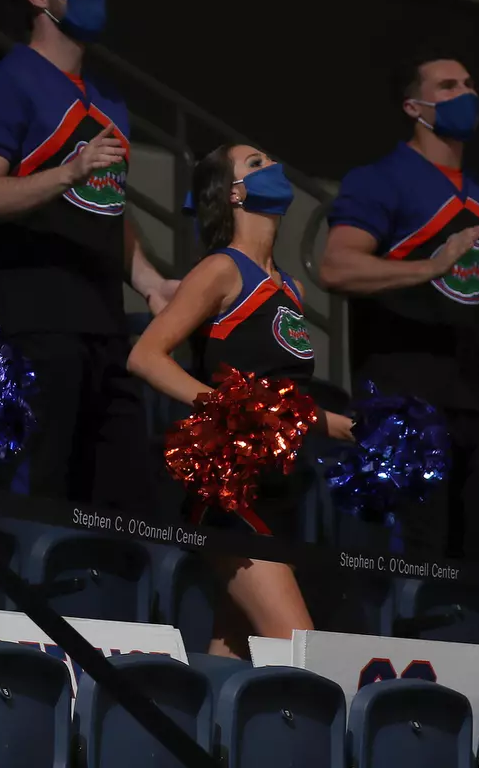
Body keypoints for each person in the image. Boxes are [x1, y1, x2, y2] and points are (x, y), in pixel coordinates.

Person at [0, 0, 177, 512]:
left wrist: (151, 282)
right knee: (38, 497)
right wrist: (69, 170)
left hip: (105, 327)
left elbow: (107, 207)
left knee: (127, 507)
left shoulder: (107, 100)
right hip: (35, 321)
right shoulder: (2, 84)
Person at [128, 143, 354, 657]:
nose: (274, 165)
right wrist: (223, 405)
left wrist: (340, 425)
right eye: (256, 163)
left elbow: (280, 395)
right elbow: (146, 356)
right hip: (230, 488)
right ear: (233, 193)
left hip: (282, 484)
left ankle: (205, 737)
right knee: (302, 649)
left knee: (234, 647)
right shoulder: (221, 270)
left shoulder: (291, 288)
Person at [318, 49, 479, 558]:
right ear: (414, 107)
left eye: (469, 83)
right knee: (408, 555)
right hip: (400, 398)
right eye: (448, 87)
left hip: (466, 394)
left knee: (457, 558)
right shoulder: (379, 178)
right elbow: (337, 266)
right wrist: (429, 268)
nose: (466, 94)